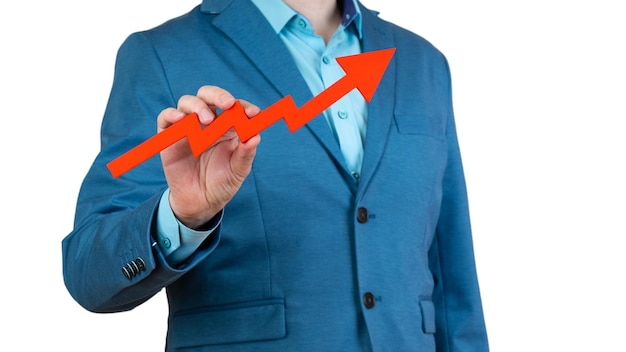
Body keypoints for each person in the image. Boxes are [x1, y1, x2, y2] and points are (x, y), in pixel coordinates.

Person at [62, 0, 489, 350]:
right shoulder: (162, 55)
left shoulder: (424, 63)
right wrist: (182, 216)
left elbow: (451, 275)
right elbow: (88, 275)